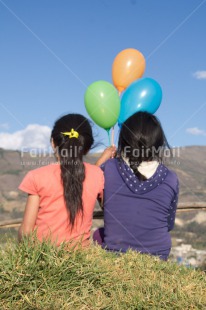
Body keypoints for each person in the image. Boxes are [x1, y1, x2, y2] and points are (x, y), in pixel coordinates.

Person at [94, 111, 179, 260]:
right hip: (158, 256)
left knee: (97, 234)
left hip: (116, 253)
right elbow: (169, 224)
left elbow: (89, 182)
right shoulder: (171, 178)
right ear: (158, 143)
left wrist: (101, 161)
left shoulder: (109, 168)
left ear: (124, 141)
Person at [18, 114, 104, 247]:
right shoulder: (98, 175)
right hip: (80, 259)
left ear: (53, 143)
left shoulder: (36, 176)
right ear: (87, 148)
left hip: (43, 256)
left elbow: (26, 232)